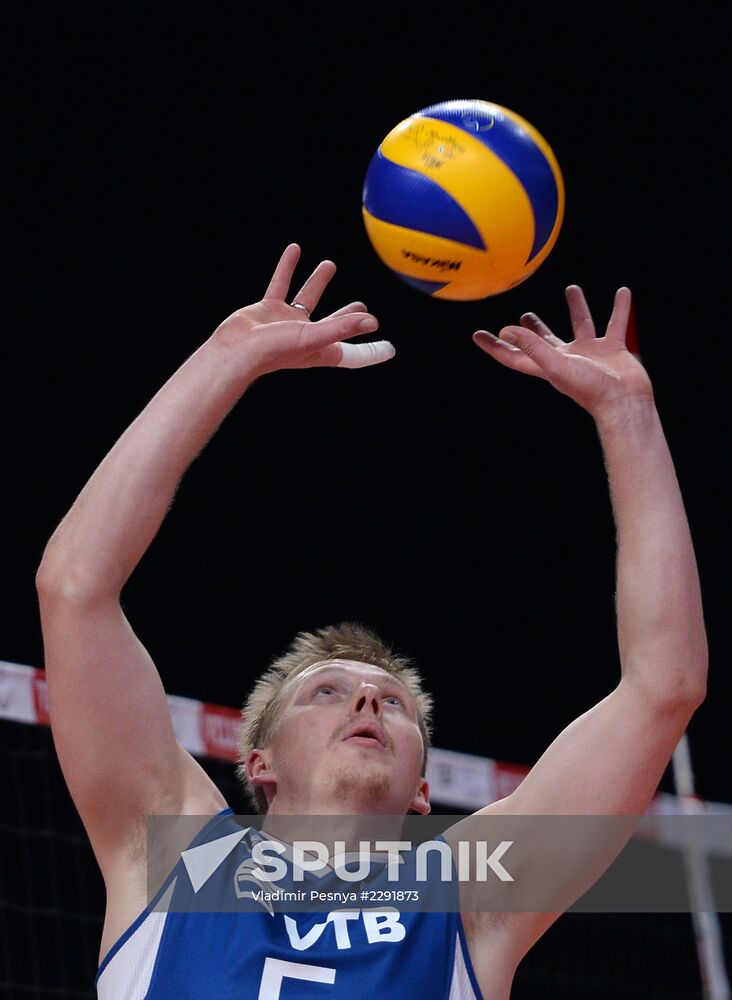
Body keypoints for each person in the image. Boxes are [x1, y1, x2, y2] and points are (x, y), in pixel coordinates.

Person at [35, 242, 708, 999]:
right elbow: (74, 587)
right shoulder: (174, 853)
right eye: (327, 692)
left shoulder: (466, 897)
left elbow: (664, 686)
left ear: (421, 789)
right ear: (260, 765)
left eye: (392, 704)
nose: (367, 702)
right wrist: (227, 359)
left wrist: (628, 413)